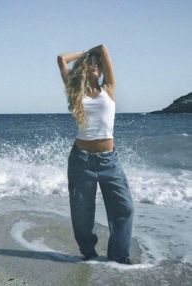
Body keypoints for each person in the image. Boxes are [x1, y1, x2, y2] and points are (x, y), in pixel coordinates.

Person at [57, 44, 134, 264]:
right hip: (81, 160)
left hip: (110, 160)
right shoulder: (75, 90)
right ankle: (89, 254)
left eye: (96, 64)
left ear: (101, 69)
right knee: (82, 213)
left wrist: (95, 54)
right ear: (83, 67)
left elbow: (103, 48)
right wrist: (84, 55)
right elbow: (61, 59)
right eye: (89, 64)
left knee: (125, 208)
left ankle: (119, 257)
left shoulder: (109, 88)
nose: (93, 66)